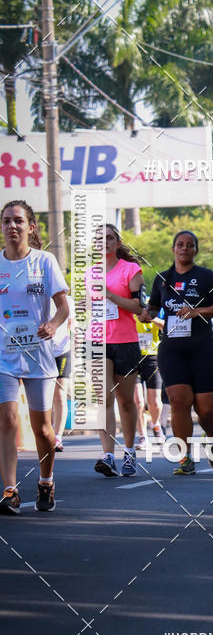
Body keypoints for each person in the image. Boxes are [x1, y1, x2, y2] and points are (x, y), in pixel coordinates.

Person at [140, 230, 213, 475]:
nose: (184, 249)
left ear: (195, 250)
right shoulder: (163, 278)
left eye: (190, 245)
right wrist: (147, 313)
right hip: (172, 349)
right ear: (173, 249)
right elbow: (154, 306)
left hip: (203, 348)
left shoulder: (205, 276)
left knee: (206, 408)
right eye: (180, 244)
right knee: (179, 401)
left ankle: (212, 439)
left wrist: (197, 311)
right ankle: (185, 458)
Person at [0, 200, 69, 514]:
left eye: (18, 221)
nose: (12, 226)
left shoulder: (44, 261)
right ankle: (9, 491)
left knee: (42, 428)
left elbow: (63, 307)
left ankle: (46, 480)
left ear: (30, 226)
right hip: (4, 355)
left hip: (37, 353)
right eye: (6, 221)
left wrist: (52, 325)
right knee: (6, 420)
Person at [89, 224, 144, 478]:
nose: (104, 242)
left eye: (109, 238)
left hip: (125, 341)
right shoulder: (89, 273)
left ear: (118, 243)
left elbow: (138, 307)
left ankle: (129, 452)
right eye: (100, 239)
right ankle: (108, 455)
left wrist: (110, 295)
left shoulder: (130, 270)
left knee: (125, 400)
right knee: (103, 398)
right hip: (97, 340)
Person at [134, 315, 165, 451]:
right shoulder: (128, 307)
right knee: (138, 401)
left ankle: (155, 424)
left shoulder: (155, 308)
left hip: (153, 357)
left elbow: (167, 326)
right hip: (133, 357)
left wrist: (151, 317)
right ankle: (143, 436)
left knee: (155, 402)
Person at [51, 294, 75, 452]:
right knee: (45, 395)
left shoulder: (69, 301)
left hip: (62, 351)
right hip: (41, 352)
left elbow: (72, 325)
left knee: (60, 394)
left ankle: (57, 436)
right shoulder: (36, 297)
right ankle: (46, 432)